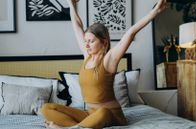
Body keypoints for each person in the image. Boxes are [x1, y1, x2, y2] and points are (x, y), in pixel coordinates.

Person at [40, 0, 166, 129]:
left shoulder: (109, 59)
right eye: (85, 41)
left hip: (111, 115)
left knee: (103, 112)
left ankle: (67, 128)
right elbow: (77, 26)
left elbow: (131, 33)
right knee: (46, 108)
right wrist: (71, 4)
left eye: (91, 41)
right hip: (90, 114)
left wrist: (153, 13)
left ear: (104, 42)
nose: (87, 45)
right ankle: (78, 127)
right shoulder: (87, 56)